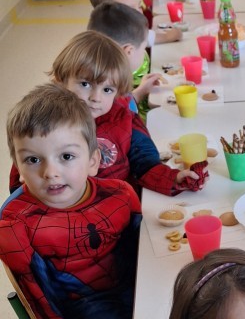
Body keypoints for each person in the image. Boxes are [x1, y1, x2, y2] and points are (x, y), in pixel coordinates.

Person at [0, 84, 159, 319]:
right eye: (33, 160)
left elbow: (142, 251)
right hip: (74, 308)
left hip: (127, 289)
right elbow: (37, 299)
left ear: (93, 159)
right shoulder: (14, 226)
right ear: (17, 166)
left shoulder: (121, 195)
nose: (50, 173)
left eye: (67, 156)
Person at [7, 31, 207, 198]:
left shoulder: (123, 118)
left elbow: (145, 164)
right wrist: (26, 187)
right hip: (61, 221)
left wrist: (174, 178)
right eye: (85, 84)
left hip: (119, 211)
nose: (96, 98)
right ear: (60, 81)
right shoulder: (41, 121)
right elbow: (22, 173)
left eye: (107, 90)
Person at [88, 0, 181, 45]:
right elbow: (146, 38)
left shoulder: (122, 24)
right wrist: (169, 36)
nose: (139, 12)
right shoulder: (115, 36)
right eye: (131, 9)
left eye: (139, 6)